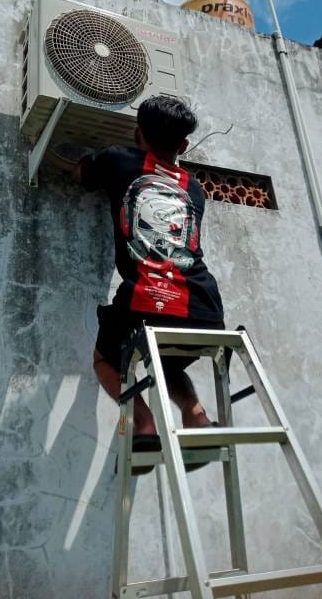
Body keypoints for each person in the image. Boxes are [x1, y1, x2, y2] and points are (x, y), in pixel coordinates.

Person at [51, 95, 225, 473]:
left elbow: (80, 173)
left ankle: (143, 423)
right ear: (183, 147)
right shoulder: (194, 188)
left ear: (137, 134)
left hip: (150, 299)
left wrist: (69, 158)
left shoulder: (119, 160)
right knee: (166, 364)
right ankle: (197, 417)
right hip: (207, 308)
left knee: (105, 360)